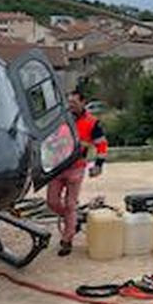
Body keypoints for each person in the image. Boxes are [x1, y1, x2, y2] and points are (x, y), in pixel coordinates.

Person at [46, 90, 108, 257]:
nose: (70, 105)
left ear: (83, 102)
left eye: (74, 102)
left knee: (71, 204)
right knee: (52, 201)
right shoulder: (62, 120)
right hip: (58, 167)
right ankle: (71, 222)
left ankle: (67, 240)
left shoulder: (92, 123)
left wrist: (99, 165)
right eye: (69, 102)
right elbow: (51, 139)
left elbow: (101, 145)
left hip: (76, 167)